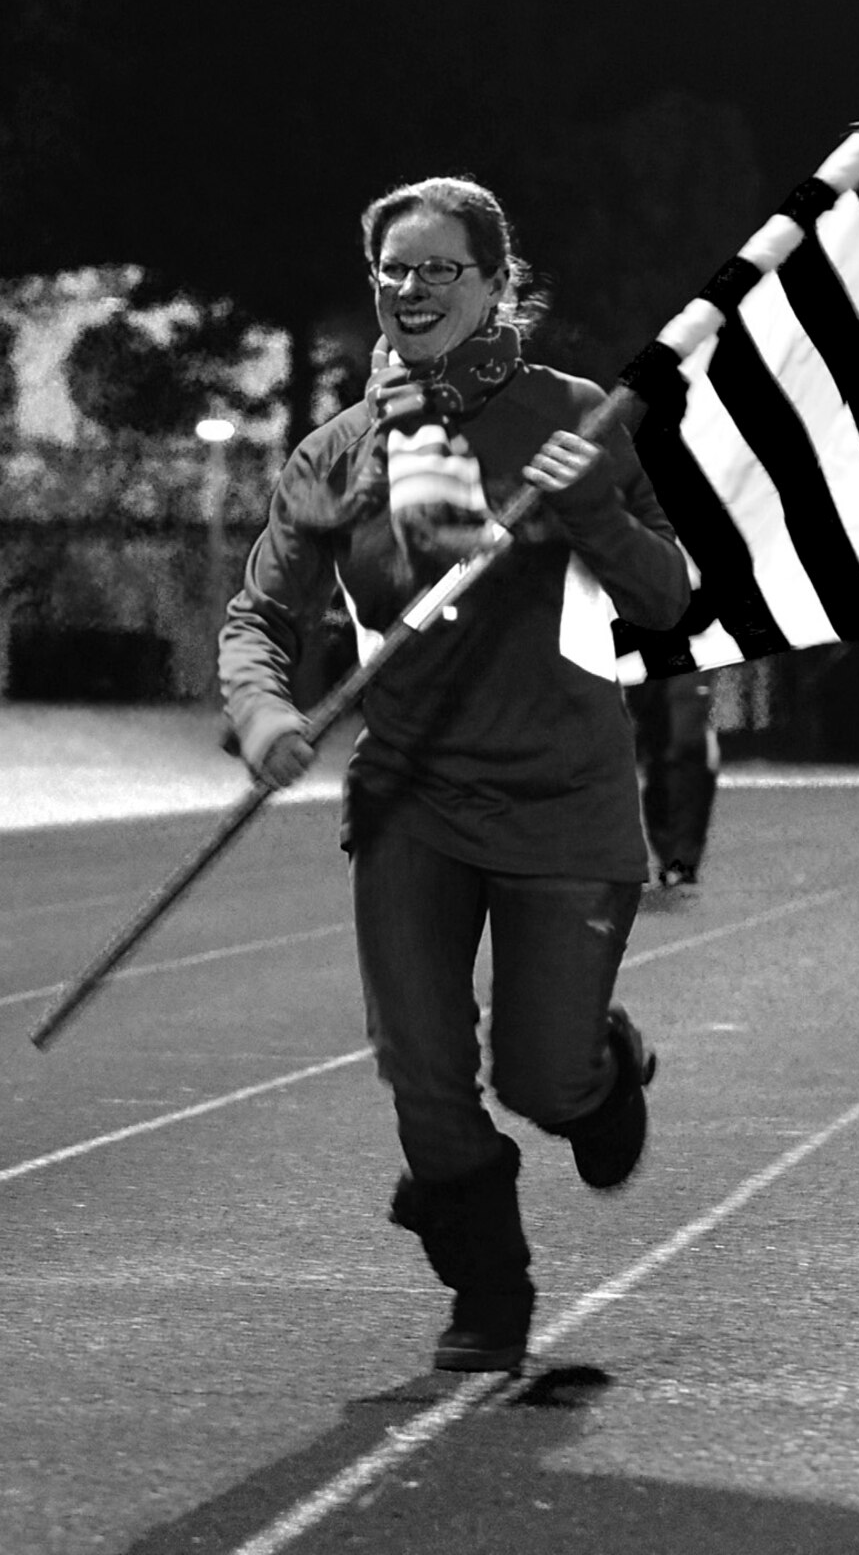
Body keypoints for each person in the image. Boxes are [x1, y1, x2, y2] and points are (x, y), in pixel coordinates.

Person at [218, 174, 690, 1375]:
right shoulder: (338, 453)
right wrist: (265, 713)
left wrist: (593, 508)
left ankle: (597, 1074)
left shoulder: (574, 416)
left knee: (539, 1075)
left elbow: (666, 595)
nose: (411, 287)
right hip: (411, 800)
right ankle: (489, 1286)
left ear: (494, 281)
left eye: (439, 267)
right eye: (393, 267)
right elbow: (261, 615)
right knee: (421, 1068)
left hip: (564, 798)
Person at [627, 670, 719, 887]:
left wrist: (711, 729)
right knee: (664, 775)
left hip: (688, 713)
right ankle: (673, 859)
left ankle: (682, 862)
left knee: (690, 777)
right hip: (659, 706)